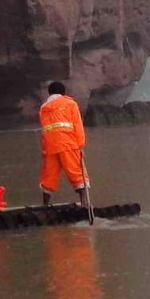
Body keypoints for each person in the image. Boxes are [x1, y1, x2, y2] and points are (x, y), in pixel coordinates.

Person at [36, 79, 89, 212]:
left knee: (49, 175)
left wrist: (44, 150)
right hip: (67, 143)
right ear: (63, 93)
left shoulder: (43, 108)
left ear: (49, 93)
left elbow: (44, 130)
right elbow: (78, 125)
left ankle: (45, 206)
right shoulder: (70, 104)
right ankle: (84, 204)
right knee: (76, 172)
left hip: (50, 146)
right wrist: (80, 145)